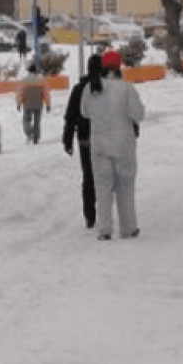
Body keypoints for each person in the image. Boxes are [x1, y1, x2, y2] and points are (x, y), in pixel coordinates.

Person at [79, 50, 145, 241]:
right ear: (119, 67)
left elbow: (84, 112)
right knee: (125, 186)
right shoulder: (126, 89)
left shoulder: (90, 89)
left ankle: (104, 229)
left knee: (102, 188)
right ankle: (128, 227)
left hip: (99, 145)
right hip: (123, 145)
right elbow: (138, 115)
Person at [63, 54, 102, 229]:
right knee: (105, 175)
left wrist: (67, 139)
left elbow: (70, 116)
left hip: (85, 139)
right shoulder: (107, 88)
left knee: (88, 175)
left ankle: (89, 215)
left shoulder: (79, 89)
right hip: (105, 137)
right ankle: (105, 209)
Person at [16, 63, 51, 144]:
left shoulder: (24, 81)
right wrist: (48, 104)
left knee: (26, 120)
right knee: (37, 122)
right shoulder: (41, 81)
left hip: (27, 104)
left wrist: (18, 104)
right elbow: (46, 93)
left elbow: (20, 93)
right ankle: (36, 137)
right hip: (38, 104)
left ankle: (29, 132)